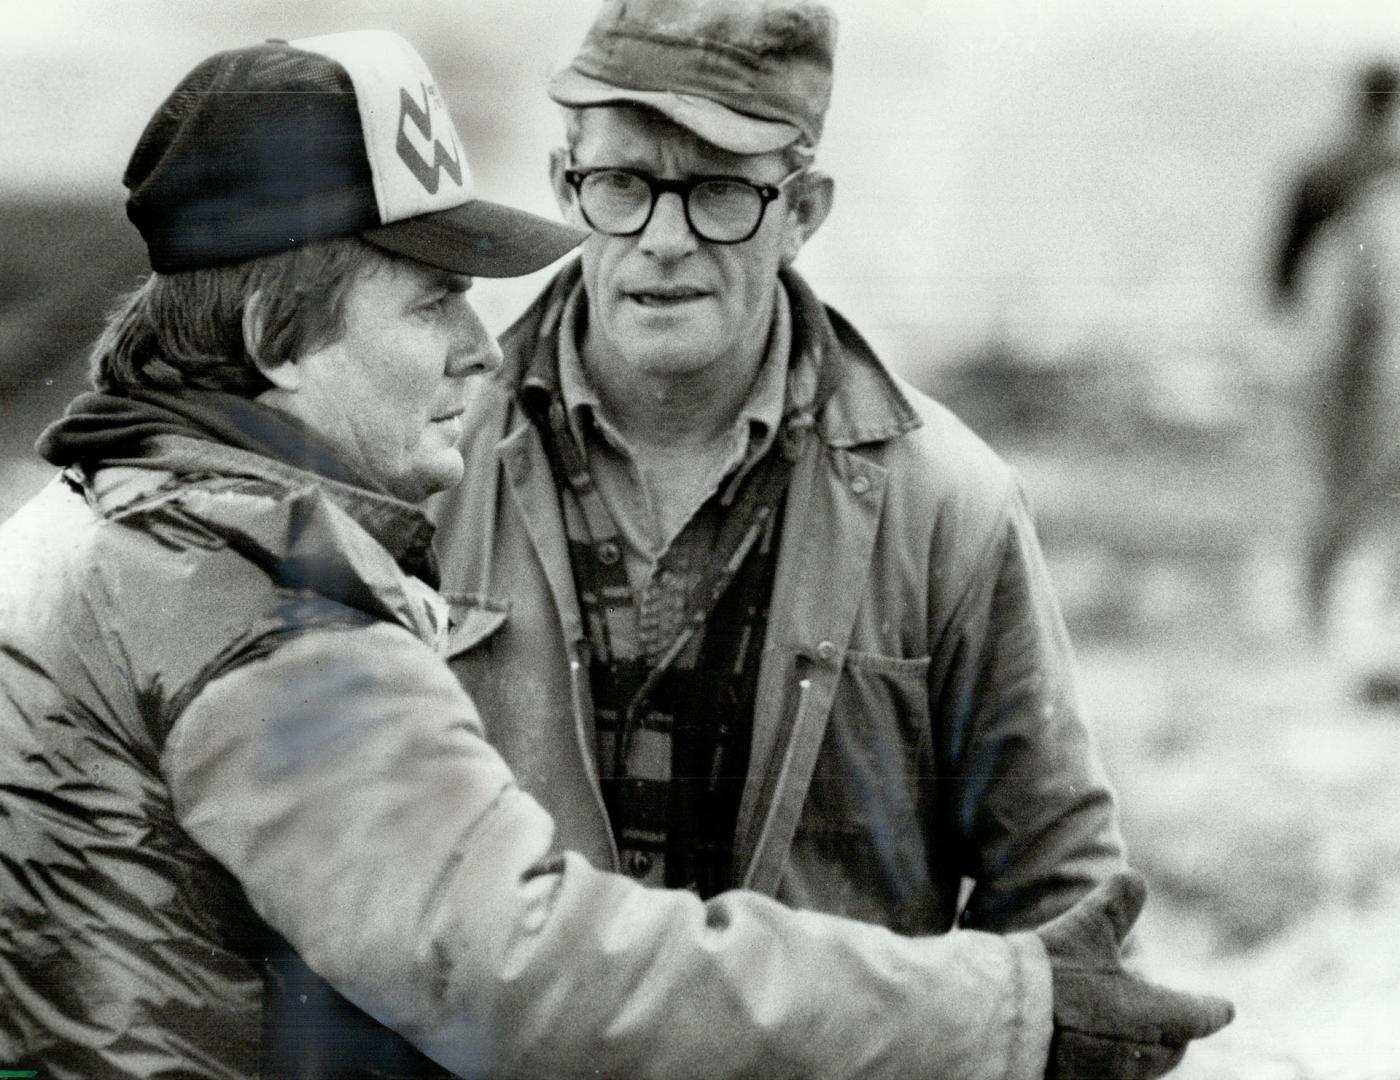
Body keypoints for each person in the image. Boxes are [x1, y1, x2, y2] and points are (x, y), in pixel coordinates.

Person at [0, 27, 1230, 1080]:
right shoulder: (264, 610)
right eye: (431, 305)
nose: (475, 354)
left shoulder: (97, 521)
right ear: (276, 334)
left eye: (719, 191)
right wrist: (997, 1011)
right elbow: (509, 963)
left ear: (798, 211)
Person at [434, 0, 1124, 942]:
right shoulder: (426, 464)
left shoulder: (948, 508)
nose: (664, 239)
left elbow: (1068, 903)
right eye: (622, 183)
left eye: (719, 189)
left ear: (802, 211)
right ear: (564, 184)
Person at [1272, 60, 1400, 671]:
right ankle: (1328, 611)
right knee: (1362, 485)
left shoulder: (1322, 171)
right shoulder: (1372, 174)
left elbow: (1282, 277)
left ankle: (1317, 610)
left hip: (1331, 356)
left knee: (1334, 485)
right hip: (1364, 358)